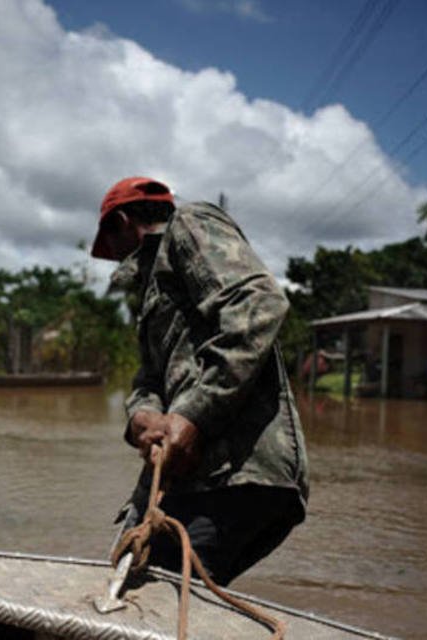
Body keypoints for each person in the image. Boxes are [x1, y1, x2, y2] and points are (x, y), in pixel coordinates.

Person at [91, 176, 309, 586]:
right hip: (194, 480)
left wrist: (193, 415)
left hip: (234, 474)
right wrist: (142, 416)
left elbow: (259, 304)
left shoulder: (189, 223)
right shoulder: (154, 289)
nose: (117, 261)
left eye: (113, 248)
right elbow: (148, 379)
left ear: (121, 221)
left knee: (151, 593)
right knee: (131, 576)